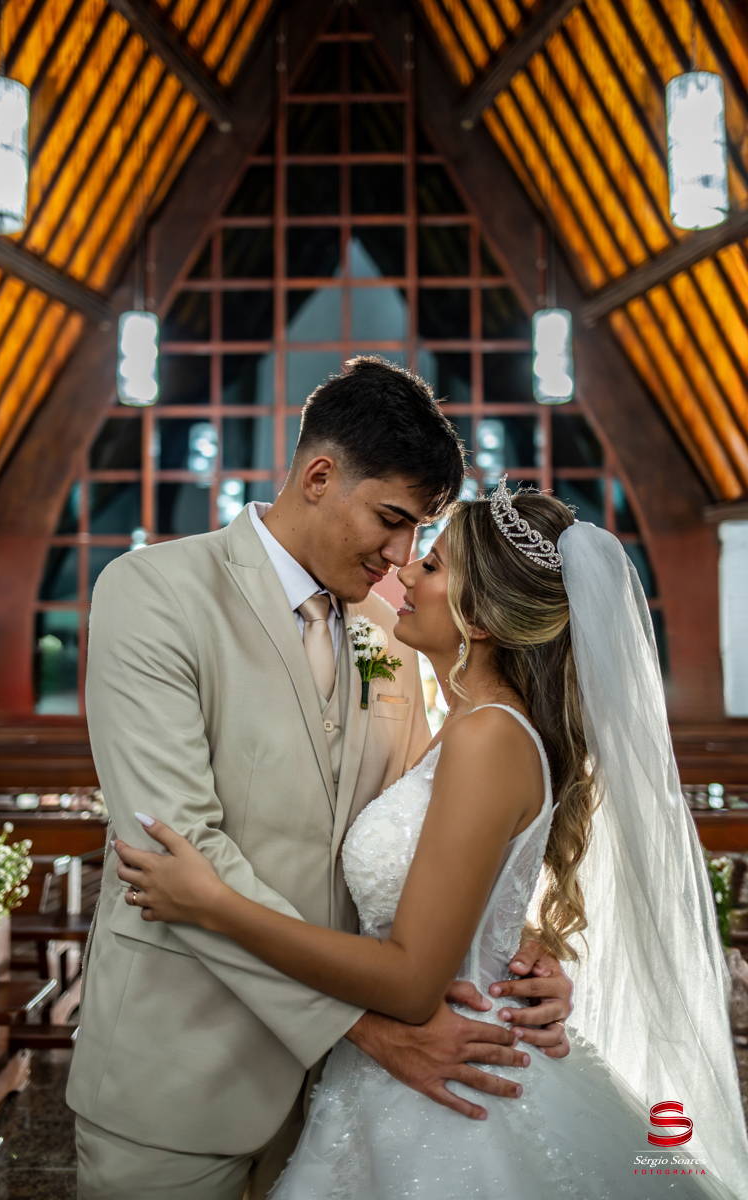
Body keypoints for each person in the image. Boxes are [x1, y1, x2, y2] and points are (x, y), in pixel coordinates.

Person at [115, 479, 748, 1200]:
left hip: (445, 1076)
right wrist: (518, 941)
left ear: (480, 616)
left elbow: (414, 983)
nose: (406, 568)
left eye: (435, 562)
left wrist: (214, 903)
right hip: (367, 1066)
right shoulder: (466, 723)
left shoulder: (486, 737)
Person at [68, 359, 572, 1200]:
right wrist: (366, 1027)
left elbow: (425, 829)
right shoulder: (154, 592)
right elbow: (174, 854)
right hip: (179, 1078)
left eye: (420, 535)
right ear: (319, 477)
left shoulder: (390, 629)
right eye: (392, 520)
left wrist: (515, 951)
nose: (402, 557)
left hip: (337, 1101)